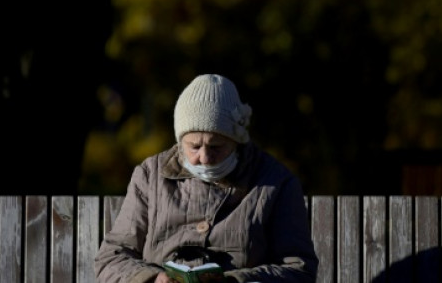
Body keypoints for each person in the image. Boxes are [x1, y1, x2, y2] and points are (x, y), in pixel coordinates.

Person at [94, 74, 319, 283]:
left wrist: (235, 281)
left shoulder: (276, 181)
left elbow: (299, 270)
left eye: (216, 146)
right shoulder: (150, 175)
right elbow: (111, 258)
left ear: (237, 140)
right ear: (180, 142)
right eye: (194, 146)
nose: (204, 157)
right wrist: (153, 279)